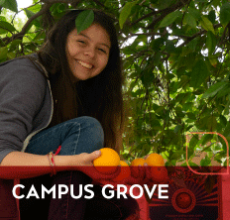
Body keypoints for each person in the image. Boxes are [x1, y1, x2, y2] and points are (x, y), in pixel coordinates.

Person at [0, 9, 139, 220]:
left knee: (119, 205)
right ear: (60, 40)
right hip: (9, 179)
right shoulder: (28, 75)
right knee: (87, 127)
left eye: (101, 49)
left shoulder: (73, 93)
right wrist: (71, 162)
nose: (90, 54)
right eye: (82, 42)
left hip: (28, 185)